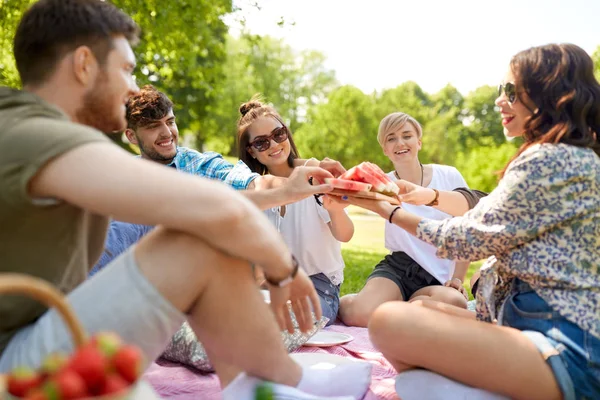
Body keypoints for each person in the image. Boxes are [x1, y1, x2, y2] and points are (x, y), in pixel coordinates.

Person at [0, 2, 372, 400]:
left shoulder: (22, 125)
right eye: (126, 69)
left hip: (43, 334)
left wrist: (285, 192)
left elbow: (216, 200)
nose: (131, 88)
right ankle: (273, 380)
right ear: (84, 64)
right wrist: (283, 269)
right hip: (19, 361)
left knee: (202, 233)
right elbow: (215, 208)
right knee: (201, 232)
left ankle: (263, 381)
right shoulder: (37, 136)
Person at [348, 43, 600, 400]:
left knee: (391, 321)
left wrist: (386, 209)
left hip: (565, 348)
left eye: (511, 91)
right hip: (530, 324)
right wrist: (428, 197)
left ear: (550, 93)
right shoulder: (575, 156)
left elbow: (464, 238)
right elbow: (488, 217)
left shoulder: (547, 160)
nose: (500, 100)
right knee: (420, 312)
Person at [90, 85, 349, 276]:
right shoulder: (119, 173)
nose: (167, 132)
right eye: (153, 127)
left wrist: (297, 181)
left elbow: (253, 183)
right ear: (132, 137)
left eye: (170, 122)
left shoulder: (199, 165)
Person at [338, 112, 471, 328]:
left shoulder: (449, 175)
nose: (400, 142)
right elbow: (343, 199)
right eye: (391, 138)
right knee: (359, 315)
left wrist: (457, 278)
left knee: (456, 302)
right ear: (385, 149)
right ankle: (357, 301)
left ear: (418, 142)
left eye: (407, 135)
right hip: (398, 267)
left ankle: (393, 307)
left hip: (437, 276)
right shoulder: (382, 183)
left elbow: (466, 229)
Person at [236, 98, 354, 325]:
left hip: (318, 286)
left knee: (281, 322)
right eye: (261, 143)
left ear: (287, 134)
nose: (273, 145)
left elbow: (345, 234)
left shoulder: (315, 173)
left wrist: (336, 211)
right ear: (251, 151)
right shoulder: (256, 190)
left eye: (278, 134)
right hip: (270, 285)